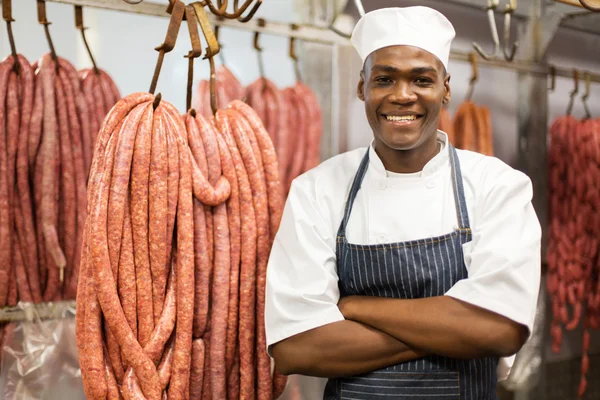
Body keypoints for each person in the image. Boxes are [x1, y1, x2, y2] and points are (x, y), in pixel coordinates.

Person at [265, 6, 542, 400]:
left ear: (445, 88)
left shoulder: (497, 186)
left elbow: (501, 330)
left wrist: (357, 307)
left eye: (421, 80)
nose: (402, 95)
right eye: (384, 79)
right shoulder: (317, 190)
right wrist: (456, 330)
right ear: (362, 87)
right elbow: (296, 347)